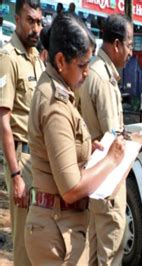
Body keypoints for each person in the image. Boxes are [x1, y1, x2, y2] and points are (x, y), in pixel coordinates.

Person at [24, 13, 125, 264]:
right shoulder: (56, 105)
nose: (87, 73)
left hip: (59, 227)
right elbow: (70, 189)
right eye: (82, 65)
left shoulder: (58, 90)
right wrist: (111, 160)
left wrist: (89, 150)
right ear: (61, 61)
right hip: (58, 232)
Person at [79, 14, 133, 266]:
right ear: (116, 44)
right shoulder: (104, 80)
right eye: (130, 45)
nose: (132, 52)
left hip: (92, 177)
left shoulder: (92, 72)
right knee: (111, 249)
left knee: (93, 249)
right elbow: (114, 139)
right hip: (107, 180)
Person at [0, 1, 43, 265]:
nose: (36, 28)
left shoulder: (36, 57)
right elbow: (3, 122)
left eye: (39, 22)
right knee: (23, 244)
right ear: (17, 20)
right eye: (30, 21)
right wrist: (15, 176)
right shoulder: (8, 58)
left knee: (37, 238)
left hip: (37, 160)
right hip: (22, 161)